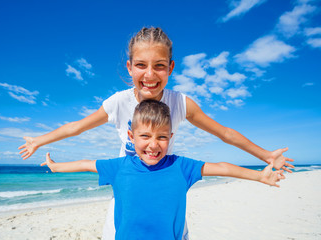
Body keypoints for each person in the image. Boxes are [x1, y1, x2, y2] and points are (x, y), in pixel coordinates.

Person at [19, 27, 294, 240]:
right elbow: (76, 127)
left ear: (170, 68)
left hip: (168, 188)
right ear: (129, 67)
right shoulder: (118, 102)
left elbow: (224, 133)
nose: (150, 74)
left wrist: (266, 155)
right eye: (141, 65)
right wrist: (39, 140)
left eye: (159, 65)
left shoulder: (180, 103)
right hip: (128, 191)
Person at [41, 100, 286, 240]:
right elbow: (86, 164)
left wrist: (258, 175)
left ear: (171, 136)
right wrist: (55, 166)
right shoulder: (119, 167)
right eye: (145, 136)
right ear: (131, 136)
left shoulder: (182, 167)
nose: (153, 144)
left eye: (161, 137)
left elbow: (221, 168)